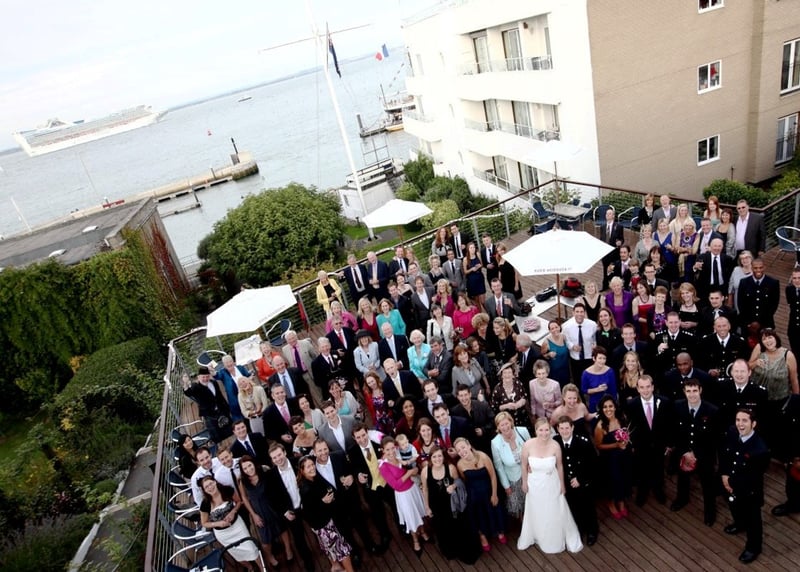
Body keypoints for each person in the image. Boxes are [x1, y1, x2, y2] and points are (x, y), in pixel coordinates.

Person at [517, 417, 583, 554]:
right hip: (534, 484)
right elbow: (523, 465)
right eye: (541, 430)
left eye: (547, 430)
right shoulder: (528, 445)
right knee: (536, 510)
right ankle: (538, 534)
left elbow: (560, 466)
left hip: (551, 482)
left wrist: (562, 484)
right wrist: (524, 482)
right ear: (536, 431)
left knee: (552, 509)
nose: (544, 433)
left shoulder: (555, 445)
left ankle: (553, 536)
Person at [720, 409, 770, 563]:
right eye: (738, 420)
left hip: (749, 491)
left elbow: (753, 477)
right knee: (734, 507)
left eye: (744, 420)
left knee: (753, 521)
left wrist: (731, 484)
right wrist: (724, 475)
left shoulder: (760, 449)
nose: (740, 424)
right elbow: (725, 455)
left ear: (753, 424)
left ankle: (753, 548)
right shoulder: (732, 432)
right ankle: (739, 524)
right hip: (730, 483)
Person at [670, 380, 719, 526]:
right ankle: (682, 499)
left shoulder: (712, 411)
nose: (692, 395)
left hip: (704, 455)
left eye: (695, 391)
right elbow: (675, 433)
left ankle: (710, 511)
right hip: (683, 452)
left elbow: (714, 439)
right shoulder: (677, 406)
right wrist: (685, 452)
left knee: (708, 484)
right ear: (684, 392)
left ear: (700, 390)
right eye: (688, 391)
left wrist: (695, 454)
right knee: (682, 478)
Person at [421, 446, 481, 564]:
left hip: (452, 505)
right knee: (442, 529)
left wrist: (453, 486)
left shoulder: (450, 468)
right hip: (436, 506)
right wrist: (427, 507)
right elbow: (425, 489)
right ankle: (450, 551)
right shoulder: (425, 471)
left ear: (443, 457)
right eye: (434, 456)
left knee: (456, 527)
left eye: (439, 456)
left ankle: (461, 549)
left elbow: (459, 482)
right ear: (430, 458)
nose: (437, 459)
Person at [297, 456, 356, 572]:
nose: (312, 468)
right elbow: (308, 513)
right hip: (324, 526)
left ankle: (336, 567)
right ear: (302, 471)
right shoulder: (306, 489)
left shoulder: (314, 479)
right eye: (308, 467)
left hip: (326, 523)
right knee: (343, 551)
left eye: (312, 465)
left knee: (331, 550)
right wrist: (322, 502)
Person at [748, 329, 799, 453]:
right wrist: (756, 363)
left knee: (777, 429)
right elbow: (748, 366)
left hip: (779, 400)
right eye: (764, 339)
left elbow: (794, 379)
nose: (768, 341)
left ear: (776, 338)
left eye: (770, 337)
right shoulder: (759, 349)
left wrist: (796, 399)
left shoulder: (788, 355)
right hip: (758, 399)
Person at [378, 436, 430, 557]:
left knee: (418, 512)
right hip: (403, 495)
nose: (391, 452)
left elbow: (414, 463)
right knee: (411, 517)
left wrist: (414, 469)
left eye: (392, 448)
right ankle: (415, 540)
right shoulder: (383, 466)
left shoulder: (400, 455)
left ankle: (423, 532)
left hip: (413, 489)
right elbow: (395, 485)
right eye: (387, 450)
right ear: (383, 450)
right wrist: (409, 473)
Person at [454, 437, 507, 551]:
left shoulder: (483, 456)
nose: (462, 451)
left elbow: (493, 476)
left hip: (488, 490)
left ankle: (499, 531)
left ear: (469, 445)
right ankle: (483, 536)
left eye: (463, 447)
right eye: (458, 450)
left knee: (493, 510)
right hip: (473, 494)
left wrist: (494, 494)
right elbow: (464, 480)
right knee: (478, 516)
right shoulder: (460, 464)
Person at [237, 456, 291, 568]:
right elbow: (244, 498)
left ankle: (288, 550)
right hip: (259, 513)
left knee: (282, 529)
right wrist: (253, 515)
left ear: (254, 464)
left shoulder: (265, 471)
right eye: (245, 468)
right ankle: (270, 557)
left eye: (250, 465)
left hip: (273, 507)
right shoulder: (243, 481)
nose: (248, 469)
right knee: (266, 541)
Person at [347, 424, 394, 551]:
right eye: (358, 437)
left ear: (367, 432)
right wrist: (358, 475)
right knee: (377, 513)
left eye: (363, 435)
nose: (362, 439)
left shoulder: (378, 444)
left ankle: (402, 527)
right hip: (370, 488)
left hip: (387, 483)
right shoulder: (352, 451)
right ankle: (385, 534)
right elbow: (353, 468)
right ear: (354, 438)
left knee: (395, 506)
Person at [627, 375, 672, 506]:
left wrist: (668, 443)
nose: (645, 390)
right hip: (641, 444)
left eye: (648, 387)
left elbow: (669, 424)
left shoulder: (664, 402)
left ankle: (658, 491)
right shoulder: (631, 404)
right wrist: (633, 445)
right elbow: (630, 426)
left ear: (652, 387)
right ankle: (642, 492)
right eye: (642, 387)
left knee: (659, 468)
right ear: (637, 389)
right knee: (642, 469)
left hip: (659, 443)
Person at [198, 476, 260, 569]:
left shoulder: (227, 490)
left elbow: (238, 502)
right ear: (204, 490)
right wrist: (218, 523)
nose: (210, 487)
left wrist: (233, 512)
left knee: (251, 548)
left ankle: (261, 567)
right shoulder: (205, 504)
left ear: (215, 482)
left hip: (237, 526)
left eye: (211, 483)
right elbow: (204, 523)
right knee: (236, 554)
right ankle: (250, 568)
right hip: (223, 534)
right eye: (206, 487)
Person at [554, 416, 599, 546]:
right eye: (562, 428)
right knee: (573, 507)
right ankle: (579, 528)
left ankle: (592, 531)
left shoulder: (583, 442)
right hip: (566, 483)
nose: (564, 431)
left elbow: (592, 464)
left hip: (583, 482)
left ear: (572, 428)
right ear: (558, 429)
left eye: (567, 428)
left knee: (588, 507)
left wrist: (580, 479)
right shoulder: (555, 442)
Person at [594, 395, 632, 519]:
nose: (608, 409)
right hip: (610, 459)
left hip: (623, 455)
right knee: (613, 481)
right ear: (601, 409)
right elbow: (598, 445)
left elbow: (627, 433)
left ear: (615, 407)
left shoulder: (622, 419)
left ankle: (621, 502)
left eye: (610, 406)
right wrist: (616, 445)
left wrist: (626, 442)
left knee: (624, 478)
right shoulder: (600, 426)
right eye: (605, 407)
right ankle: (611, 503)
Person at [490, 411, 530, 519]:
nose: (505, 427)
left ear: (511, 422)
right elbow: (499, 467)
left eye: (506, 423)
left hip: (529, 474)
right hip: (513, 479)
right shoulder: (495, 443)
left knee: (532, 504)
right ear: (498, 427)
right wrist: (506, 485)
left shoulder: (522, 431)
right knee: (520, 508)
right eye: (501, 425)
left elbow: (532, 450)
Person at [737, 258, 781, 331]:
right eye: (755, 268)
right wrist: (749, 322)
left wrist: (760, 322)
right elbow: (741, 303)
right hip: (748, 323)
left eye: (761, 268)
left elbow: (774, 304)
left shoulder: (773, 283)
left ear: (764, 267)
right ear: (751, 268)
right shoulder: (744, 282)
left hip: (766, 323)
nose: (758, 270)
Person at [452, 383, 495, 453]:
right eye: (461, 396)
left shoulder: (483, 405)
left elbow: (493, 421)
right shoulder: (454, 412)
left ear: (470, 394)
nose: (464, 398)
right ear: (457, 397)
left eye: (466, 395)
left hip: (487, 443)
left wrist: (483, 430)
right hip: (469, 449)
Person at [562, 303, 598, 384]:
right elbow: (565, 340)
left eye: (581, 312)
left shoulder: (592, 325)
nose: (579, 314)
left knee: (590, 379)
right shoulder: (566, 327)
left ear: (584, 313)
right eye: (577, 312)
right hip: (575, 358)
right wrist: (572, 346)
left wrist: (595, 344)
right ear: (573, 313)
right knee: (577, 380)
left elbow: (595, 338)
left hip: (589, 357)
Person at [491, 364, 529, 428]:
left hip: (521, 418)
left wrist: (518, 404)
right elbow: (494, 408)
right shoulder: (497, 389)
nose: (507, 375)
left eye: (509, 372)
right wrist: (507, 406)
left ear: (513, 375)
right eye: (505, 373)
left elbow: (524, 397)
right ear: (501, 375)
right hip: (506, 423)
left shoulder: (518, 384)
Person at [581, 346, 616, 413]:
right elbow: (584, 390)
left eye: (604, 358)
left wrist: (613, 405)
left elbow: (613, 391)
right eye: (600, 358)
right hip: (594, 404)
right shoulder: (586, 373)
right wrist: (597, 389)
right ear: (594, 358)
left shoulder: (610, 371)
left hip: (608, 404)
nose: (602, 361)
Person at [540, 320, 571, 387]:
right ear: (549, 331)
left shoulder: (564, 337)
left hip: (565, 369)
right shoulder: (546, 342)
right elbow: (542, 355)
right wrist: (548, 354)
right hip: (555, 372)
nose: (555, 330)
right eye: (552, 328)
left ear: (559, 327)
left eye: (556, 327)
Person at [363, 371, 394, 435]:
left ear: (376, 379)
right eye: (369, 383)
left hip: (390, 417)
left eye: (372, 381)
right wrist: (374, 421)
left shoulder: (384, 387)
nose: (371, 384)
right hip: (379, 421)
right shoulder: (368, 394)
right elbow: (370, 410)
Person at [600, 207, 624, 290]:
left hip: (614, 253)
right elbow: (602, 238)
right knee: (605, 269)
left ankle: (615, 286)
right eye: (607, 214)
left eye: (610, 214)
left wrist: (620, 242)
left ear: (613, 216)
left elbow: (622, 238)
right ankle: (605, 285)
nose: (608, 215)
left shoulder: (618, 226)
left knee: (614, 269)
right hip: (605, 253)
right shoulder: (603, 227)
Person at [463, 242, 486, 308]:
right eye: (471, 248)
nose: (472, 249)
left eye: (473, 247)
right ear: (468, 249)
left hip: (480, 278)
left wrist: (479, 266)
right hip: (472, 280)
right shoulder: (465, 259)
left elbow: (482, 264)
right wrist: (471, 269)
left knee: (483, 300)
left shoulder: (478, 254)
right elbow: (465, 272)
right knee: (477, 300)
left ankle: (488, 311)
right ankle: (480, 312)